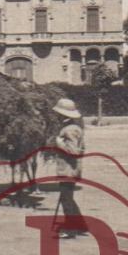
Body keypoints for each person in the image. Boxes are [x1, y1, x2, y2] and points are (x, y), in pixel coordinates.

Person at [52, 98, 84, 239]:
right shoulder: (74, 127)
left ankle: (71, 230)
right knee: (69, 198)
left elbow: (73, 151)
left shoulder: (70, 129)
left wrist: (59, 144)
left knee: (66, 199)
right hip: (71, 169)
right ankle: (81, 225)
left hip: (68, 170)